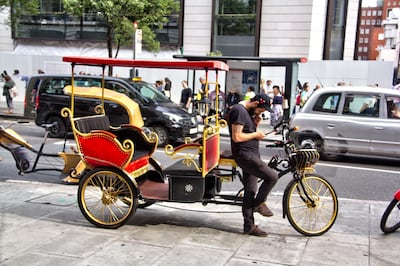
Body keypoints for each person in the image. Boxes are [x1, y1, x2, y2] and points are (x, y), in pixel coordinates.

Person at [228, 94, 278, 237]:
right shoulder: (239, 111)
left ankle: (249, 226)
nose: (261, 112)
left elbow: (247, 131)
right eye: (261, 109)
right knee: (272, 177)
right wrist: (256, 135)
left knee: (250, 190)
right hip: (245, 155)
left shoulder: (248, 112)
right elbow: (237, 137)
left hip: (252, 153)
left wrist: (255, 123)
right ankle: (259, 203)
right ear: (255, 103)